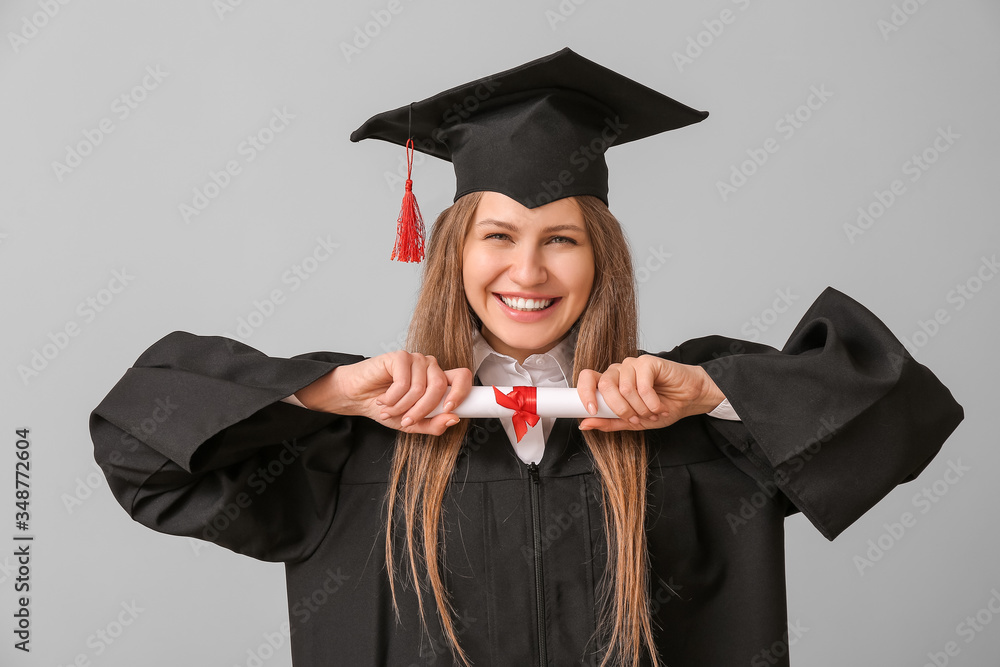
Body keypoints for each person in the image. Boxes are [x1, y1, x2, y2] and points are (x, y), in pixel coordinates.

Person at [90, 48, 964, 667]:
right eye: (498, 235)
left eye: (563, 240)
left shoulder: (698, 424)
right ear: (452, 253)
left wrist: (712, 390)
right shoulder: (353, 440)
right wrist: (326, 393)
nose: (529, 270)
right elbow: (141, 449)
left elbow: (908, 411)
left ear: (604, 259)